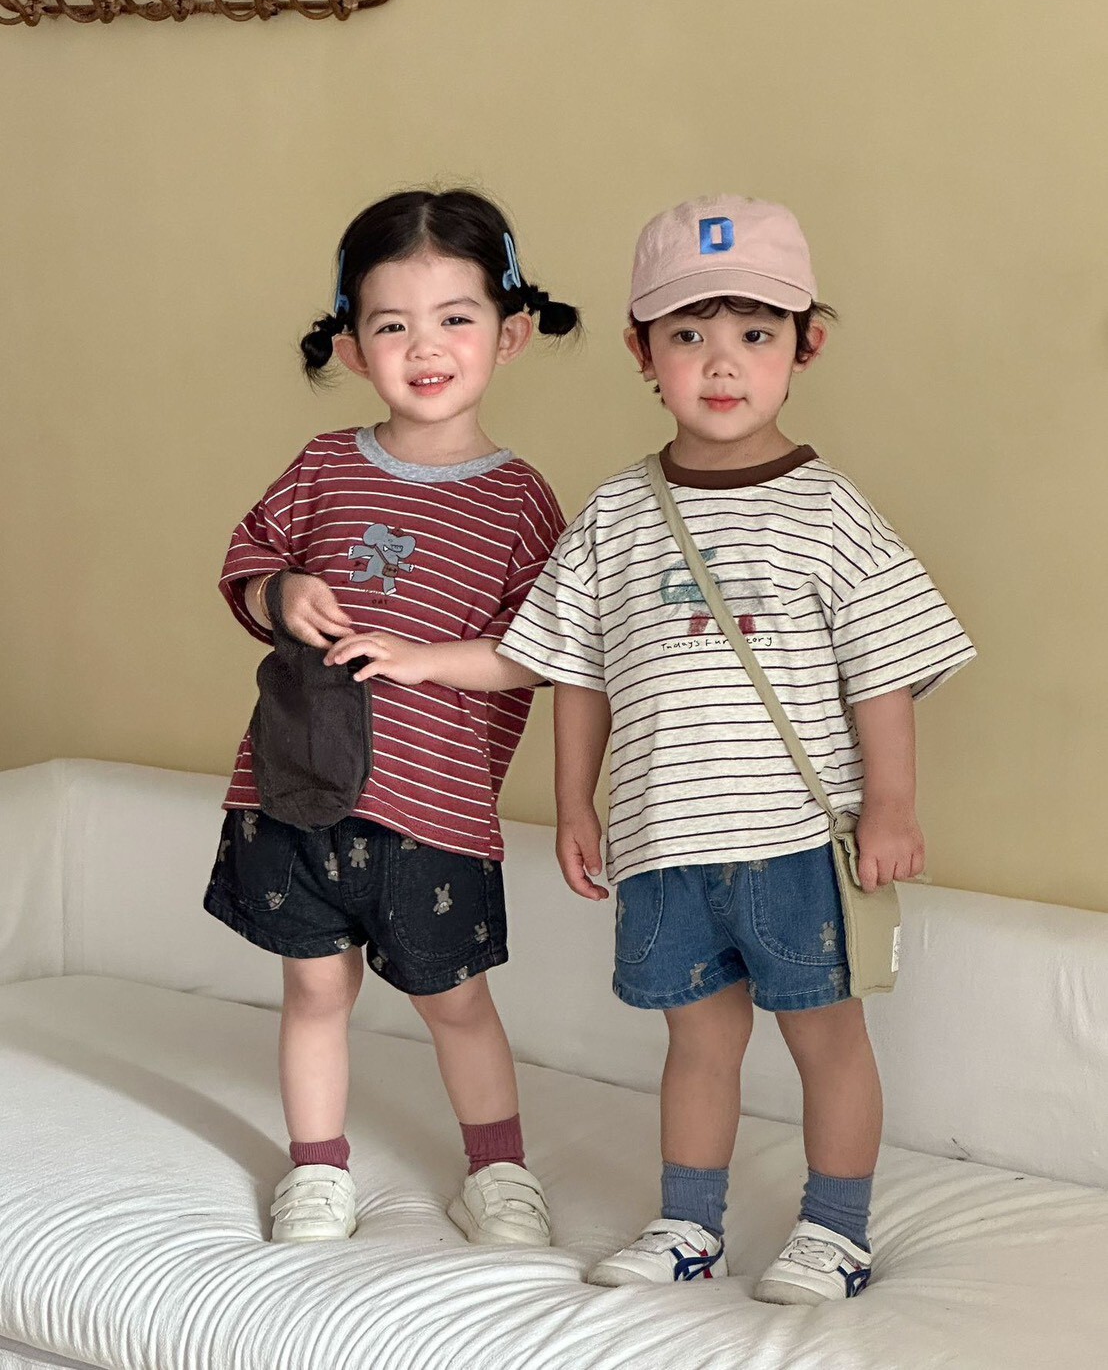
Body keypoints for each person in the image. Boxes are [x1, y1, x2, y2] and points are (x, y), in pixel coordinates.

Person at [497, 194, 975, 1303]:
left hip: (797, 841)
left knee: (826, 1039)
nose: (722, 363)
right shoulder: (615, 515)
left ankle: (835, 1231)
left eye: (756, 333)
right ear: (641, 352)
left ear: (805, 347)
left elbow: (883, 670)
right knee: (696, 1045)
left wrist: (892, 805)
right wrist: (574, 803)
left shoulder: (831, 511)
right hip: (666, 841)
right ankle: (688, 1224)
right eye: (689, 334)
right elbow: (578, 671)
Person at [204, 187, 579, 1247]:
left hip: (435, 811)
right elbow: (245, 569)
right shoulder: (323, 466)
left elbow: (539, 651)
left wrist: (420, 658)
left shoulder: (520, 501)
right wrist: (280, 592)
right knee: (314, 991)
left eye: (455, 317)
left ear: (508, 335)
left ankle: (496, 1171)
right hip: (295, 787)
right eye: (392, 324)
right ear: (352, 345)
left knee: (455, 1001)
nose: (425, 347)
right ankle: (317, 1169)